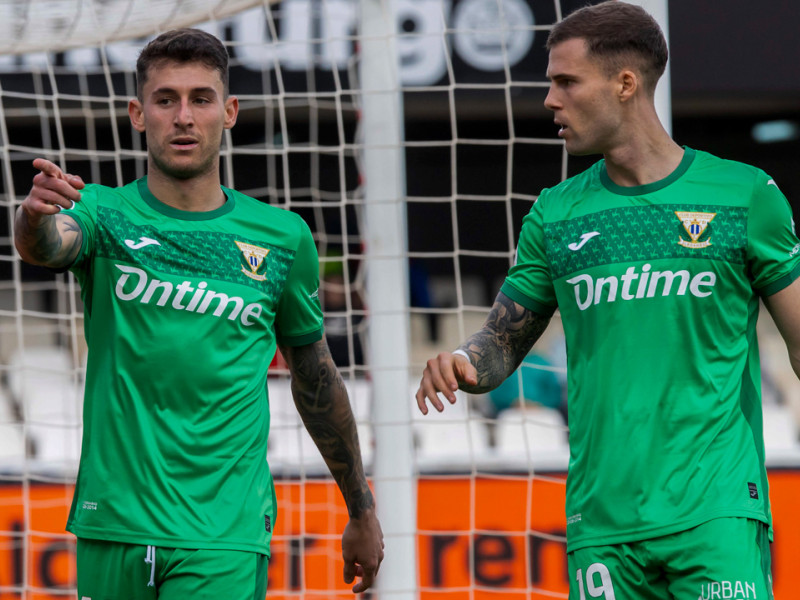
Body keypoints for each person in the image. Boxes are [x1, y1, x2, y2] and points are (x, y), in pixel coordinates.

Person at [416, 2, 800, 598]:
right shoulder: (556, 213)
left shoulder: (745, 195)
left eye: (566, 81)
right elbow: (499, 344)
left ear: (625, 84)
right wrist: (463, 364)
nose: (550, 100)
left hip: (716, 509)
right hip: (602, 524)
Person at [14, 29, 383, 599]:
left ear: (229, 111)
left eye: (201, 99)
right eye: (166, 100)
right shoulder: (102, 213)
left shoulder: (282, 238)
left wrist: (360, 508)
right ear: (138, 113)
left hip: (223, 533)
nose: (183, 117)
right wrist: (34, 215)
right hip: (112, 523)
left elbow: (316, 377)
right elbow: (47, 246)